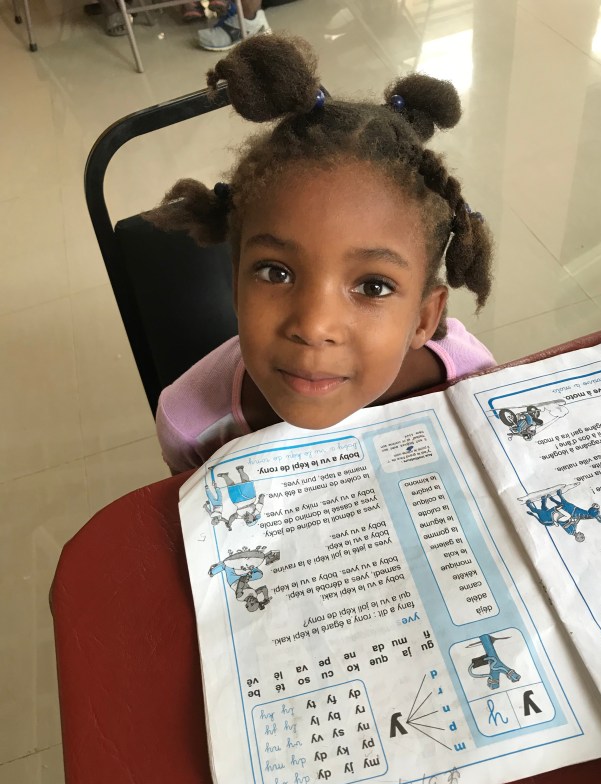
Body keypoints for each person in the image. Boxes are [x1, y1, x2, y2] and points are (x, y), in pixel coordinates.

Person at [147, 34, 496, 475]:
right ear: (236, 284)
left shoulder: (467, 378)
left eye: (373, 286)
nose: (314, 327)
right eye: (275, 273)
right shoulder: (191, 425)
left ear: (425, 318)